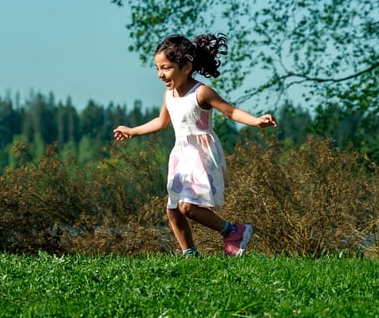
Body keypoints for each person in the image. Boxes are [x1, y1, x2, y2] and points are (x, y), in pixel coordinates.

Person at [113, 34, 276, 257]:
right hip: (181, 155)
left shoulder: (201, 92)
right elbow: (161, 122)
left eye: (167, 68)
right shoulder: (169, 95)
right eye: (158, 68)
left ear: (186, 67)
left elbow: (231, 111)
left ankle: (233, 231)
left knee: (187, 207)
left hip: (202, 155)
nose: (161, 74)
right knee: (173, 210)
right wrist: (132, 131)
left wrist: (257, 121)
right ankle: (190, 254)